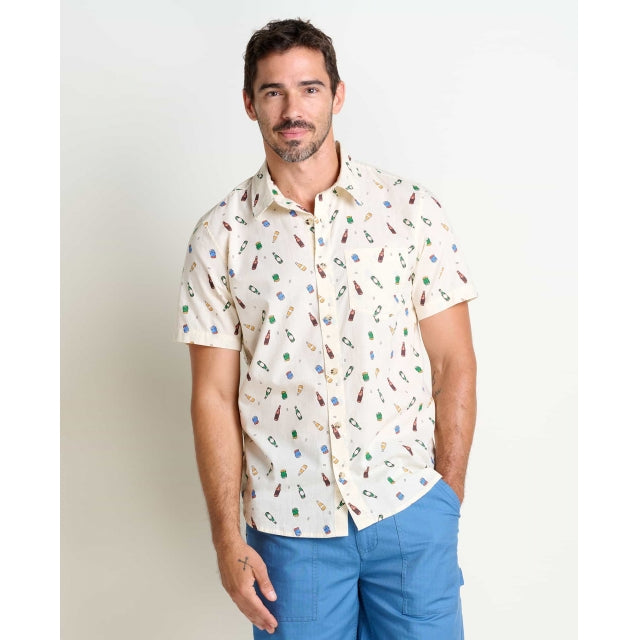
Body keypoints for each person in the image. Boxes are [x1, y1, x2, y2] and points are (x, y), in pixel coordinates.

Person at [176, 18, 478, 639]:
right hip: (289, 533)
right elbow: (212, 395)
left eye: (310, 89)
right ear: (249, 103)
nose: (293, 109)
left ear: (337, 96)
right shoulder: (220, 237)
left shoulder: (411, 213)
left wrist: (445, 498)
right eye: (274, 92)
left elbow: (454, 364)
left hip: (409, 511)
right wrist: (227, 539)